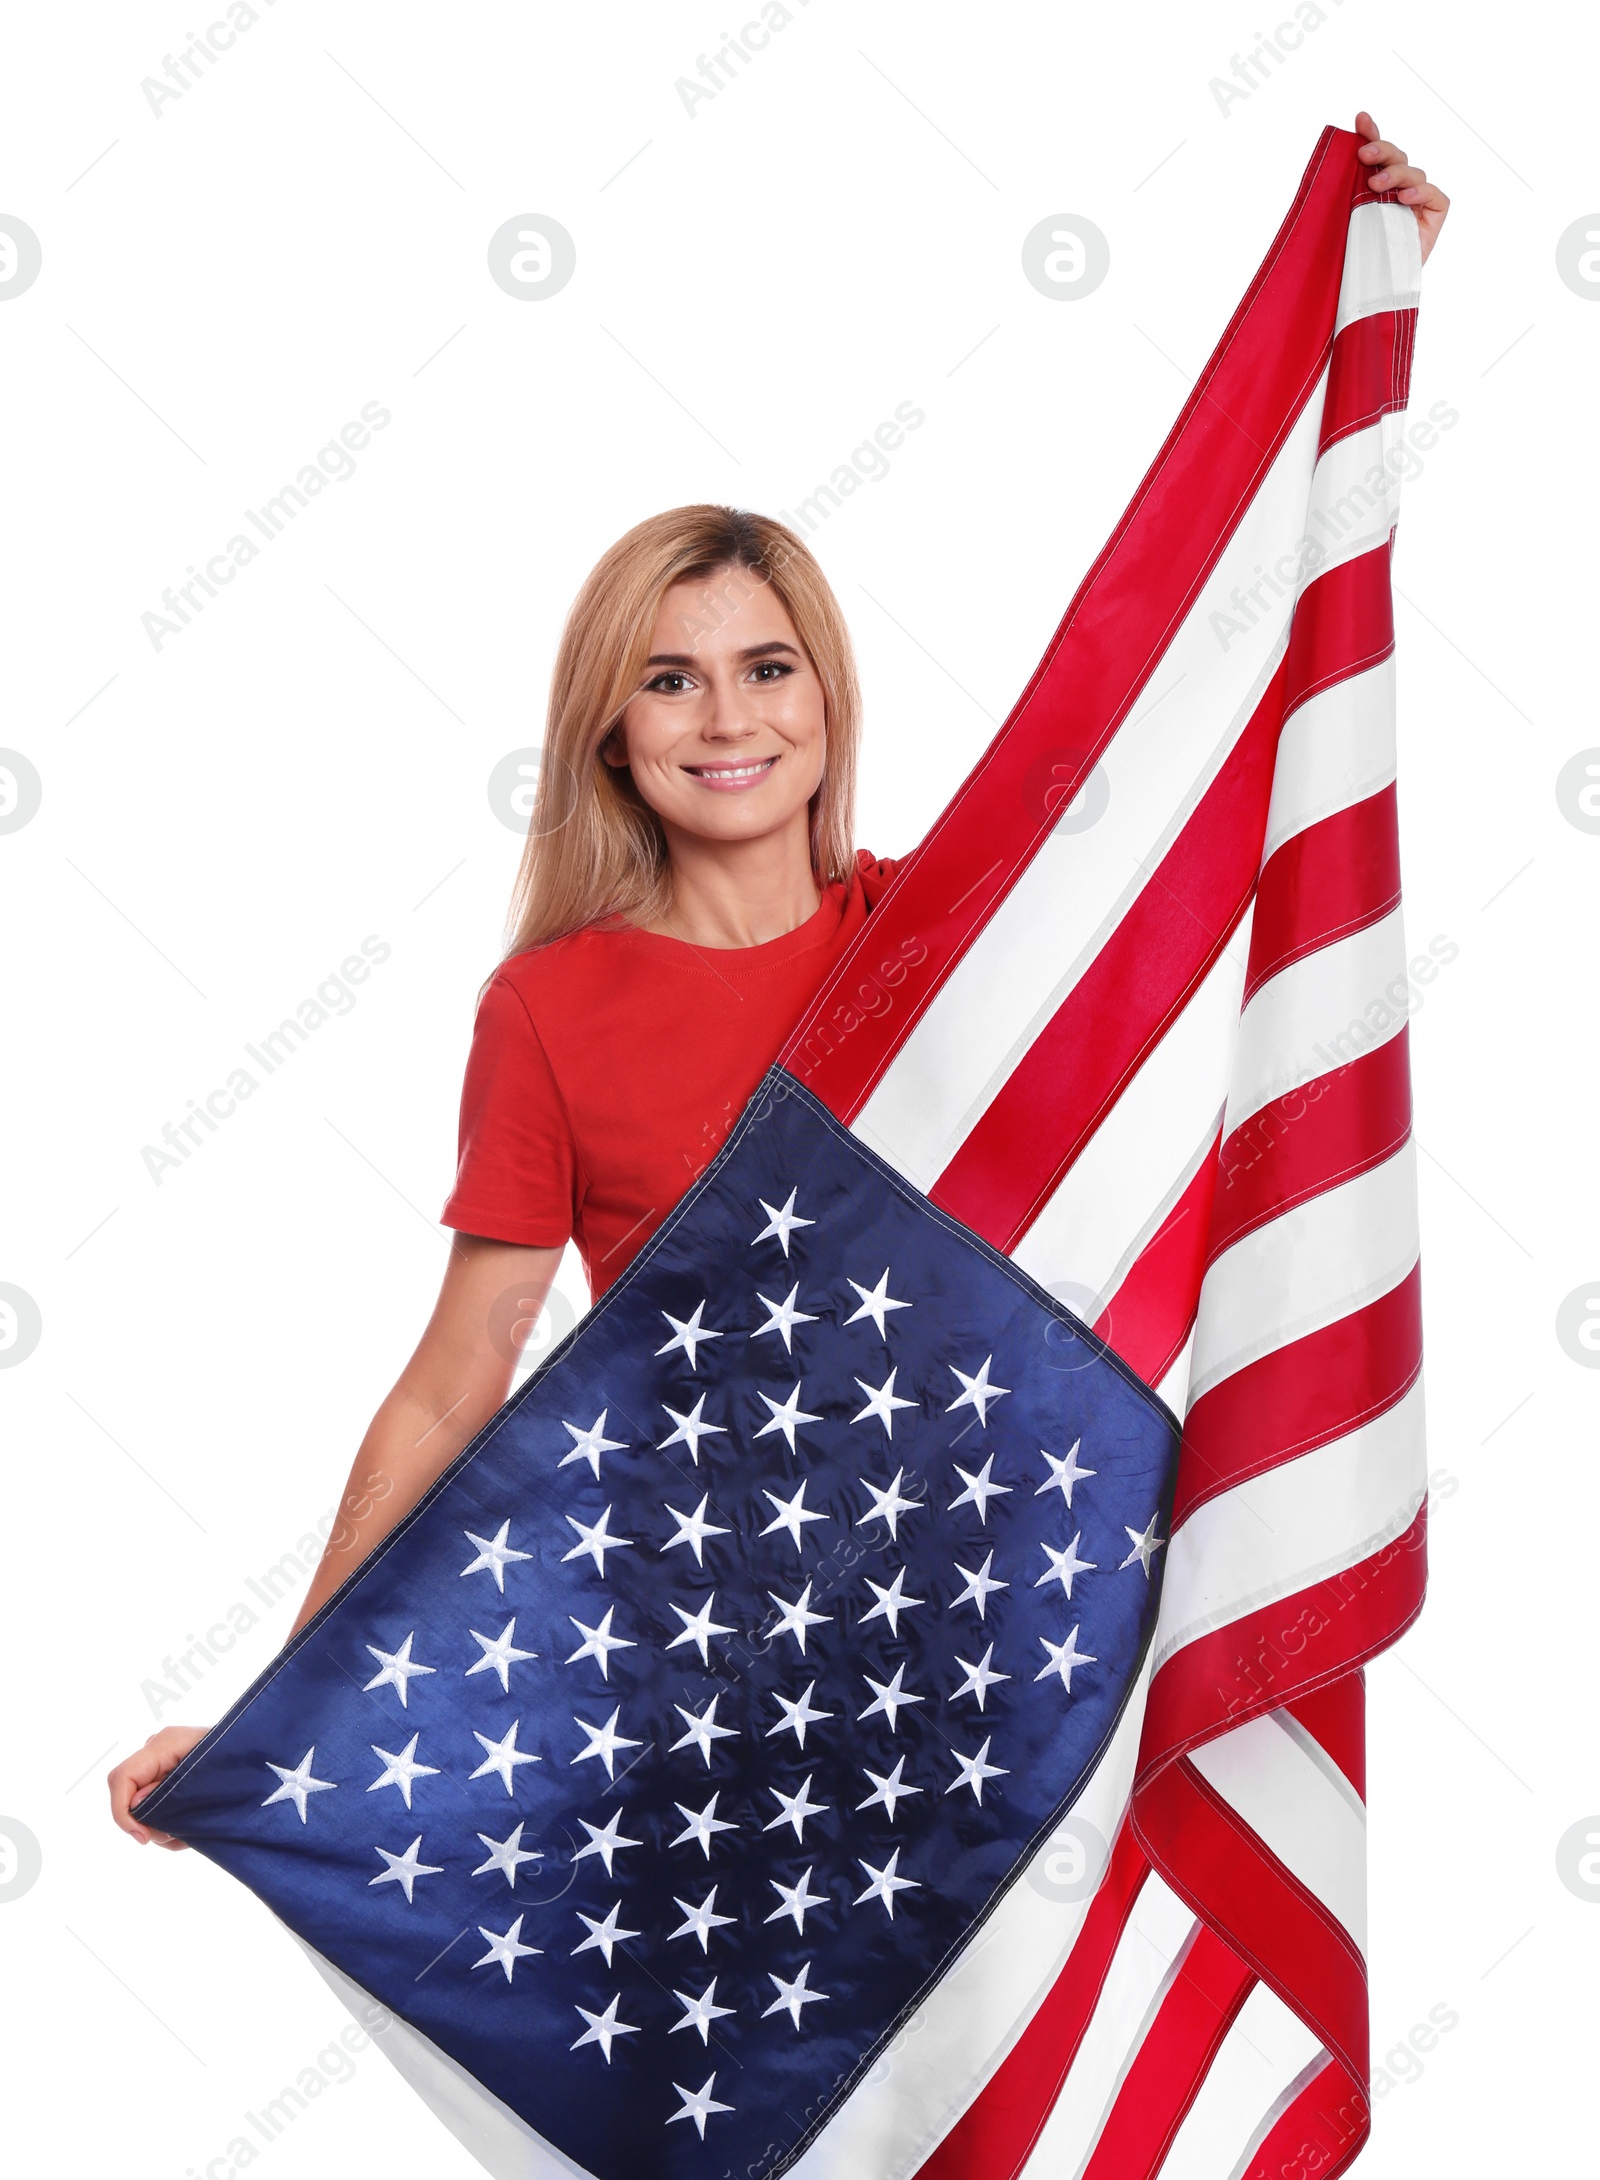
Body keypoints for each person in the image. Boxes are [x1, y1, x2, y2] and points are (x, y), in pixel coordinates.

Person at [108, 115, 1449, 1848]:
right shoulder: (552, 1009)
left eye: (765, 667)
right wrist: (283, 1717)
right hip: (684, 1668)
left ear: (827, 697)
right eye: (670, 680)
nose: (727, 718)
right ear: (611, 724)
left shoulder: (944, 946)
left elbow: (1215, 702)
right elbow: (460, 1377)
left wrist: (1365, 330)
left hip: (989, 1637)